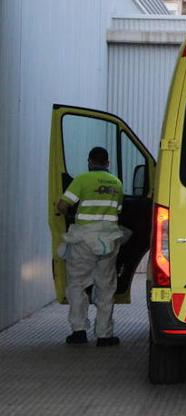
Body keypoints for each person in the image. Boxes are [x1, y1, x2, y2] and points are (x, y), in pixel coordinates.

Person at [54, 146, 129, 347]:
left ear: (89, 162)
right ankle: (104, 335)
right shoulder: (117, 183)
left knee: (77, 284)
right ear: (108, 163)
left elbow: (62, 205)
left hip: (84, 240)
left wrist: (69, 212)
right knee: (105, 287)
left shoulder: (82, 179)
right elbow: (118, 209)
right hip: (109, 240)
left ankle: (78, 331)